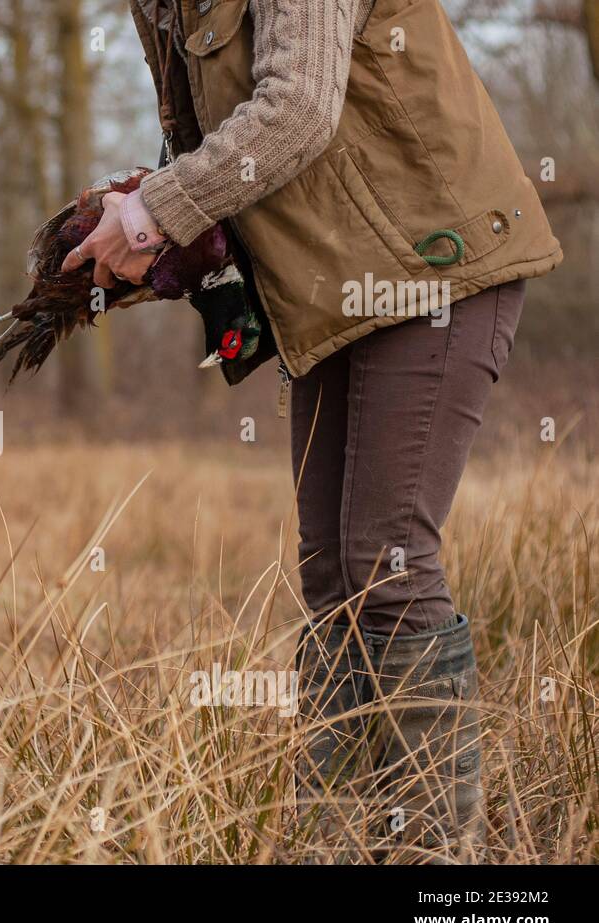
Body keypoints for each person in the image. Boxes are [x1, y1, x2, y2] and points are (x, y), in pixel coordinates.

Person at [67, 0, 562, 861]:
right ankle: (333, 839)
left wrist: (156, 211)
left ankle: (436, 863)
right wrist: (161, 235)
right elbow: (210, 141)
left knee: (388, 561)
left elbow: (296, 109)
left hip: (433, 266)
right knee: (332, 572)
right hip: (333, 288)